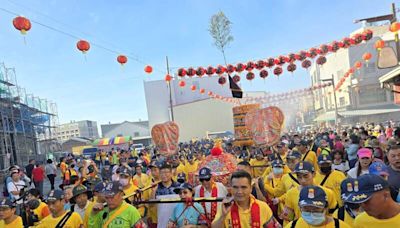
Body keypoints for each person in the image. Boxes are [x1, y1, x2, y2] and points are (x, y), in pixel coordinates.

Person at [212, 170, 280, 228]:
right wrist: (223, 216)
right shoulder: (225, 207)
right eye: (235, 187)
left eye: (243, 187)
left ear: (250, 188)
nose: (239, 191)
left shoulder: (263, 207)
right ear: (231, 189)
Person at [285, 186, 351, 228]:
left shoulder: (341, 226)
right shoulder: (292, 226)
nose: (311, 213)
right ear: (300, 207)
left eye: (316, 209)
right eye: (306, 209)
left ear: (326, 208)